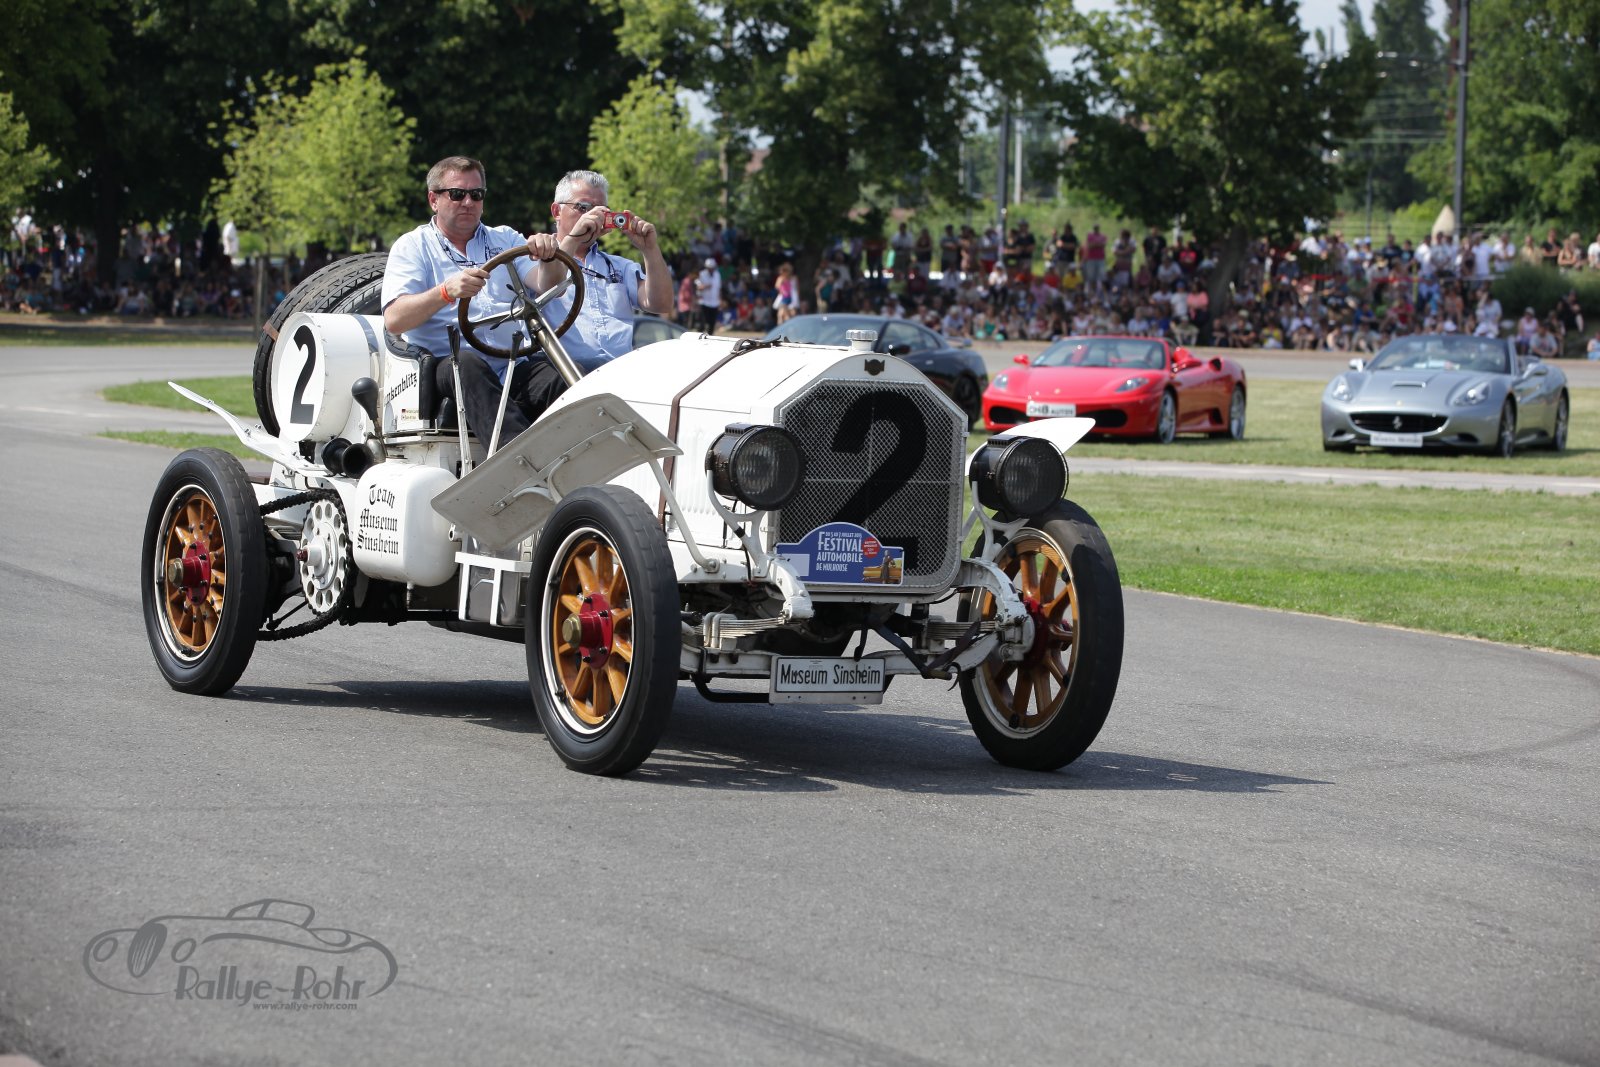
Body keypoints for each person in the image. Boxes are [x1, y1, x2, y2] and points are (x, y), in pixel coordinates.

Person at [382, 155, 567, 446]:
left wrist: (549, 257)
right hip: (446, 365)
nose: (468, 202)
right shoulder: (413, 246)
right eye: (457, 194)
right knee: (467, 364)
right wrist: (445, 292)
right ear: (434, 199)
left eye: (476, 194)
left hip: (510, 364)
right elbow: (395, 319)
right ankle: (519, 458)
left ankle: (589, 458)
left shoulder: (505, 239)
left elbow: (549, 285)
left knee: (559, 376)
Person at [538, 168, 673, 370]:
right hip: (567, 374)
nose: (592, 216)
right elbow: (550, 285)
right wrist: (574, 238)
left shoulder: (618, 265)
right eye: (583, 207)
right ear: (557, 211)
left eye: (601, 210)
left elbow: (662, 303)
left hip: (618, 372)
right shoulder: (539, 257)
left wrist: (650, 250)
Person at [695, 257, 722, 333]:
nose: (711, 270)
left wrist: (720, 300)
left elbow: (719, 288)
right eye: (709, 268)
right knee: (703, 323)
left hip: (715, 303)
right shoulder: (702, 274)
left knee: (712, 324)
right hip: (705, 302)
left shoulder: (717, 275)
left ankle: (710, 337)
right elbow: (698, 287)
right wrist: (706, 286)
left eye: (712, 268)